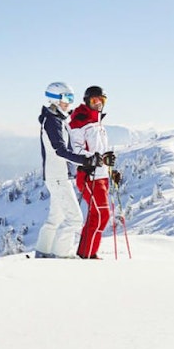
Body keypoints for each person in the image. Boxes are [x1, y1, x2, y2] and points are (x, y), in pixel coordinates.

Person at [33, 81, 100, 259]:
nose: (69, 101)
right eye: (67, 97)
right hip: (58, 177)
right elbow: (60, 150)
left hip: (57, 176)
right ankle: (61, 256)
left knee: (55, 218)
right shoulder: (52, 121)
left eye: (71, 97)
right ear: (55, 98)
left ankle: (42, 252)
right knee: (75, 219)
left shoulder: (56, 119)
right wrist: (85, 160)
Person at [70, 85, 120, 259]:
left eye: (102, 100)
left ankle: (87, 252)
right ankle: (87, 255)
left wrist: (109, 165)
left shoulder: (98, 122)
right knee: (101, 215)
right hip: (89, 175)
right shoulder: (79, 121)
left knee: (97, 216)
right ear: (87, 101)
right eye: (94, 100)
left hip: (101, 176)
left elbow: (99, 149)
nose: (98, 104)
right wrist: (95, 159)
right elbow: (76, 150)